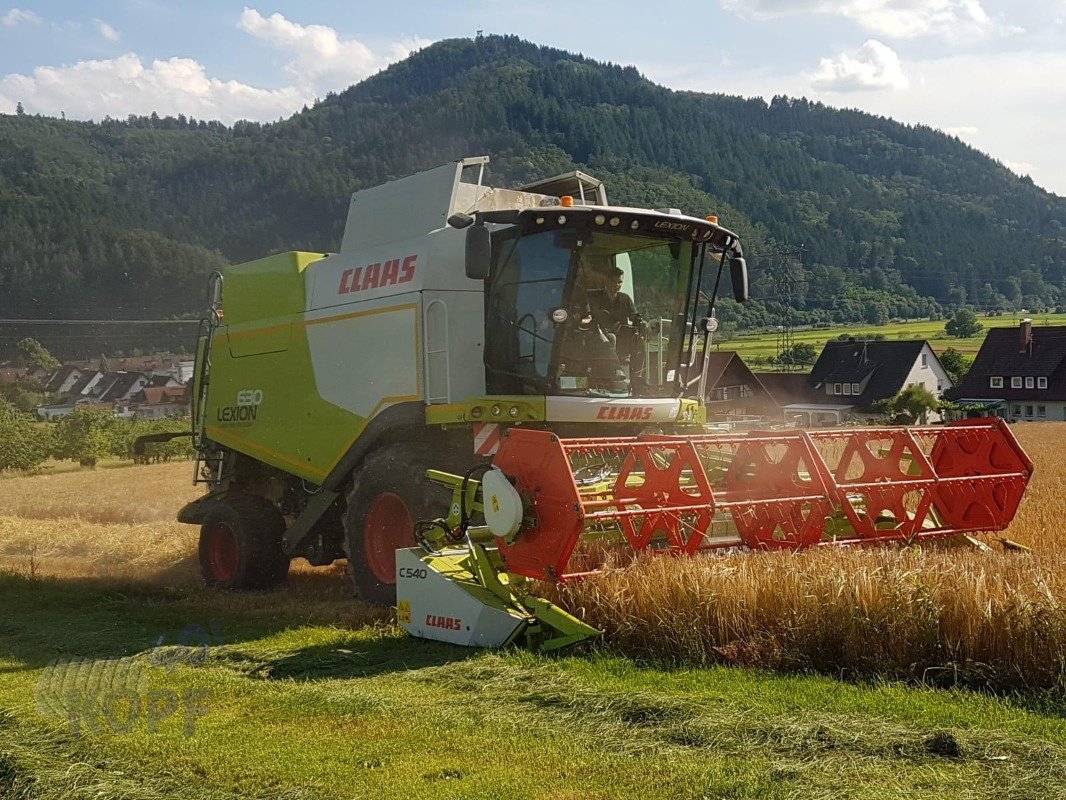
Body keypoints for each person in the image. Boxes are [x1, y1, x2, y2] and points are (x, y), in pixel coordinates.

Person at [587, 266, 646, 387]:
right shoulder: (594, 297)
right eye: (614, 282)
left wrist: (643, 324)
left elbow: (634, 316)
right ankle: (616, 371)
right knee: (610, 337)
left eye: (620, 282)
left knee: (639, 341)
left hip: (622, 339)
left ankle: (636, 379)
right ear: (607, 281)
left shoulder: (625, 299)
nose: (617, 285)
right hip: (597, 336)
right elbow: (588, 318)